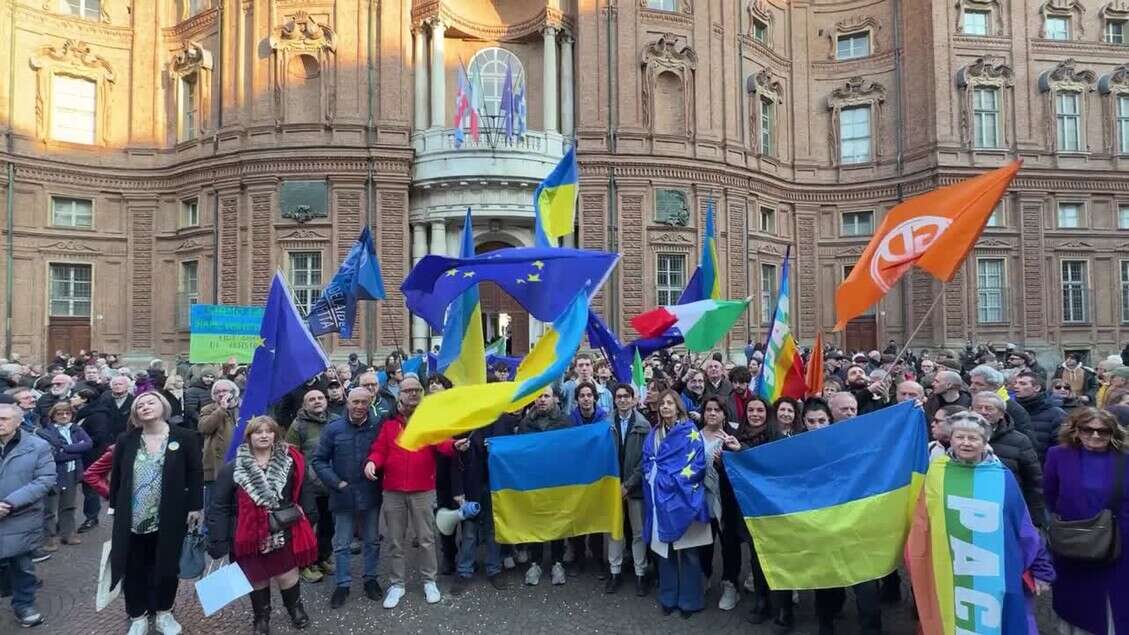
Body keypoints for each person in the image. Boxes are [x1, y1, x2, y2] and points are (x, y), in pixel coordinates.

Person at [908, 411, 1054, 634]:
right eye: (960, 437)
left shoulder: (1001, 476)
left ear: (985, 441)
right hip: (951, 566)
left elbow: (1023, 526)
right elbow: (921, 521)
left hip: (994, 570)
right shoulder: (937, 472)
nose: (966, 443)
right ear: (951, 438)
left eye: (973, 438)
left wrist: (1041, 567)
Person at [208, 416, 318, 634]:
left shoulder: (290, 461)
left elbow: (303, 488)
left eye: (269, 431)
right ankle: (261, 617)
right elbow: (219, 505)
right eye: (258, 432)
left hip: (283, 528)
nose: (264, 436)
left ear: (275, 435)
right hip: (248, 535)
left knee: (287, 573)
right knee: (256, 577)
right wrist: (218, 539)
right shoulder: (233, 468)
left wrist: (311, 513)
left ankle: (295, 608)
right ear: (249, 437)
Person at [108, 392, 203, 635]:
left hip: (170, 515)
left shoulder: (185, 437)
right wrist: (114, 507)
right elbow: (117, 476)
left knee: (167, 566)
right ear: (135, 413)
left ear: (163, 406)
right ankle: (137, 615)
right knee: (133, 567)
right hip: (133, 516)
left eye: (150, 402)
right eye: (140, 405)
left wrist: (195, 505)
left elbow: (195, 473)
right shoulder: (126, 439)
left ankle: (164, 612)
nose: (145, 406)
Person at [363, 375, 451, 608]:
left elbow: (442, 444)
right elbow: (380, 449)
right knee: (395, 540)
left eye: (417, 389)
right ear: (399, 394)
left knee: (426, 539)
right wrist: (372, 461)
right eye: (408, 390)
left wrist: (455, 445)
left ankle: (429, 581)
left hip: (422, 488)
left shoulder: (429, 419)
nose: (413, 393)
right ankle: (397, 584)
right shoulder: (388, 422)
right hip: (393, 490)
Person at [1043, 407, 1129, 635]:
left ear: (1113, 433)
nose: (1095, 435)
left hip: (1118, 544)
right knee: (1076, 602)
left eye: (1104, 431)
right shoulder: (1057, 455)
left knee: (1115, 603)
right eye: (1087, 429)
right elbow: (1050, 495)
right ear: (1075, 430)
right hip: (1073, 542)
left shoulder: (1125, 459)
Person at [312, 387, 384, 609]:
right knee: (341, 544)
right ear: (347, 402)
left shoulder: (377, 426)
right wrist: (336, 482)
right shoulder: (333, 429)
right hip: (343, 494)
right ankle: (342, 583)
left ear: (370, 402)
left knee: (372, 540)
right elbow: (318, 460)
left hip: (370, 491)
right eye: (355, 402)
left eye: (364, 402)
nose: (359, 406)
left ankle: (370, 579)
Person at [643, 389, 710, 618]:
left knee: (689, 552)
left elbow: (698, 464)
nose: (665, 407)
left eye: (670, 403)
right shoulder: (654, 434)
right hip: (661, 500)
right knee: (666, 551)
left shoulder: (689, 431)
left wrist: (671, 481)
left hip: (684, 498)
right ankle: (668, 597)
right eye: (662, 404)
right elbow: (647, 461)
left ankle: (690, 601)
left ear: (678, 406)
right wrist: (654, 476)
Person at [0, 402, 55, 627]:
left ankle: (24, 604)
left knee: (22, 566)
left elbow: (44, 479)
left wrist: (10, 503)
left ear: (18, 421)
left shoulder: (38, 446)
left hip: (21, 517)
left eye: (4, 419)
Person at [517, 386, 571, 586]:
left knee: (557, 521)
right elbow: (519, 451)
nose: (542, 399)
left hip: (557, 480)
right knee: (536, 522)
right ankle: (535, 563)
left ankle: (557, 562)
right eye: (538, 396)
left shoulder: (565, 422)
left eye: (546, 396)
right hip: (534, 481)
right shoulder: (525, 423)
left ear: (555, 399)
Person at [972, 391, 1046, 526]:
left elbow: (1034, 481)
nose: (983, 412)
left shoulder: (1019, 441)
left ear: (1001, 414)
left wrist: (1035, 519)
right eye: (978, 408)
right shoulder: (958, 439)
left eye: (989, 408)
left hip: (1007, 510)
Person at [285, 389, 334, 584]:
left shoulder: (337, 420)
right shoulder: (298, 426)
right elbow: (291, 456)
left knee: (328, 525)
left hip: (331, 482)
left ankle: (322, 557)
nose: (317, 401)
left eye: (320, 398)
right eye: (311, 399)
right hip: (308, 485)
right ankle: (305, 564)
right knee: (308, 526)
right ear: (305, 405)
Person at [606, 383, 650, 595]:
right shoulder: (606, 425)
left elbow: (645, 460)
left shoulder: (644, 425)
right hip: (612, 487)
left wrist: (628, 485)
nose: (622, 400)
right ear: (614, 400)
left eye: (626, 396)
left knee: (638, 532)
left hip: (635, 488)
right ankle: (614, 571)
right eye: (619, 397)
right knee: (615, 531)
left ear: (633, 399)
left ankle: (640, 573)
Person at [36, 401, 92, 551]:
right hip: (54, 473)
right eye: (60, 414)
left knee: (68, 505)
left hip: (72, 472)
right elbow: (53, 455)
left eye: (67, 413)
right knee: (49, 508)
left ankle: (68, 534)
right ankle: (48, 538)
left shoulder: (76, 428)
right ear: (53, 416)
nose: (64, 416)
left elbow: (88, 444)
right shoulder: (48, 431)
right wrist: (76, 452)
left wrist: (65, 448)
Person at [200, 379, 240, 511]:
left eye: (224, 391)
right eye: (217, 392)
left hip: (240, 460)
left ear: (233, 392)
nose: (221, 394)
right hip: (216, 464)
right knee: (215, 505)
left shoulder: (244, 408)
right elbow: (204, 428)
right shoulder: (208, 409)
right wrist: (221, 409)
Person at [1014, 371, 1067, 462]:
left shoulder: (1056, 414)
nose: (1016, 386)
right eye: (1016, 383)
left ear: (1037, 388)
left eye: (1023, 384)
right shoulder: (1011, 411)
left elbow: (1062, 447)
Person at [969, 364, 1033, 437]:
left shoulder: (1013, 409)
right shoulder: (968, 401)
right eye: (972, 383)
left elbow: (1024, 441)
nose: (972, 387)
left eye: (979, 384)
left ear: (995, 387)